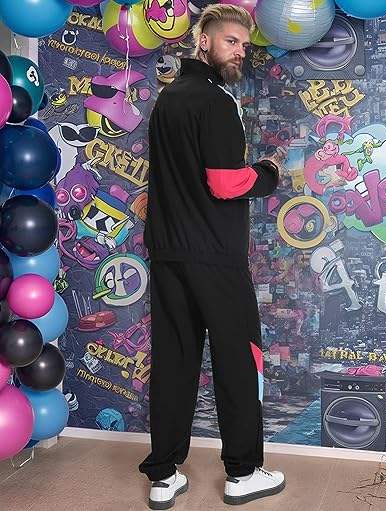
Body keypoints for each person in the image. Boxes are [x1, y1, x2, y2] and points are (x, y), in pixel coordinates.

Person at [139, 4, 287, 509]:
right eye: (230, 41)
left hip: (168, 253)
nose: (240, 51)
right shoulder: (217, 101)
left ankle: (163, 475)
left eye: (244, 44)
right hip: (215, 257)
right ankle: (243, 473)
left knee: (174, 361)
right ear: (203, 41)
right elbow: (226, 184)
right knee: (239, 361)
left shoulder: (168, 100)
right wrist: (267, 173)